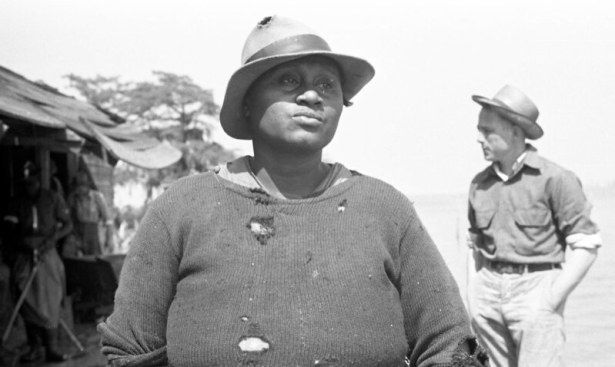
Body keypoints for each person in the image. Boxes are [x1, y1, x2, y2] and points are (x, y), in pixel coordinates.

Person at [99, 15, 488, 366]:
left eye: (326, 85)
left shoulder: (385, 210)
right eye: (289, 80)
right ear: (248, 102)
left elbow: (449, 345)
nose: (312, 95)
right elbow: (129, 352)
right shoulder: (180, 210)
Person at [466, 85, 602, 367]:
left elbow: (587, 244)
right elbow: (473, 244)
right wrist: (473, 295)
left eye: (487, 130)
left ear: (515, 132)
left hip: (536, 290)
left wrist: (549, 301)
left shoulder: (555, 179)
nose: (479, 139)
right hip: (488, 296)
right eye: (479, 130)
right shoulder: (480, 184)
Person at [2, 161, 73, 363]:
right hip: (24, 257)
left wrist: (51, 240)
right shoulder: (17, 202)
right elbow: (9, 232)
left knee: (50, 300)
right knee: (27, 302)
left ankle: (52, 348)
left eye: (33, 179)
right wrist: (24, 245)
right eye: (26, 181)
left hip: (47, 255)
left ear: (38, 178)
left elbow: (68, 224)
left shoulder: (52, 198)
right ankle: (35, 347)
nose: (30, 184)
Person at [67, 171, 114, 255]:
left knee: (96, 258)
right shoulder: (73, 198)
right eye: (77, 187)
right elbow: (70, 220)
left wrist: (109, 237)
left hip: (94, 233)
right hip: (79, 233)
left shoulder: (97, 197)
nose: (79, 190)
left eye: (81, 186)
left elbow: (108, 220)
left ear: (87, 186)